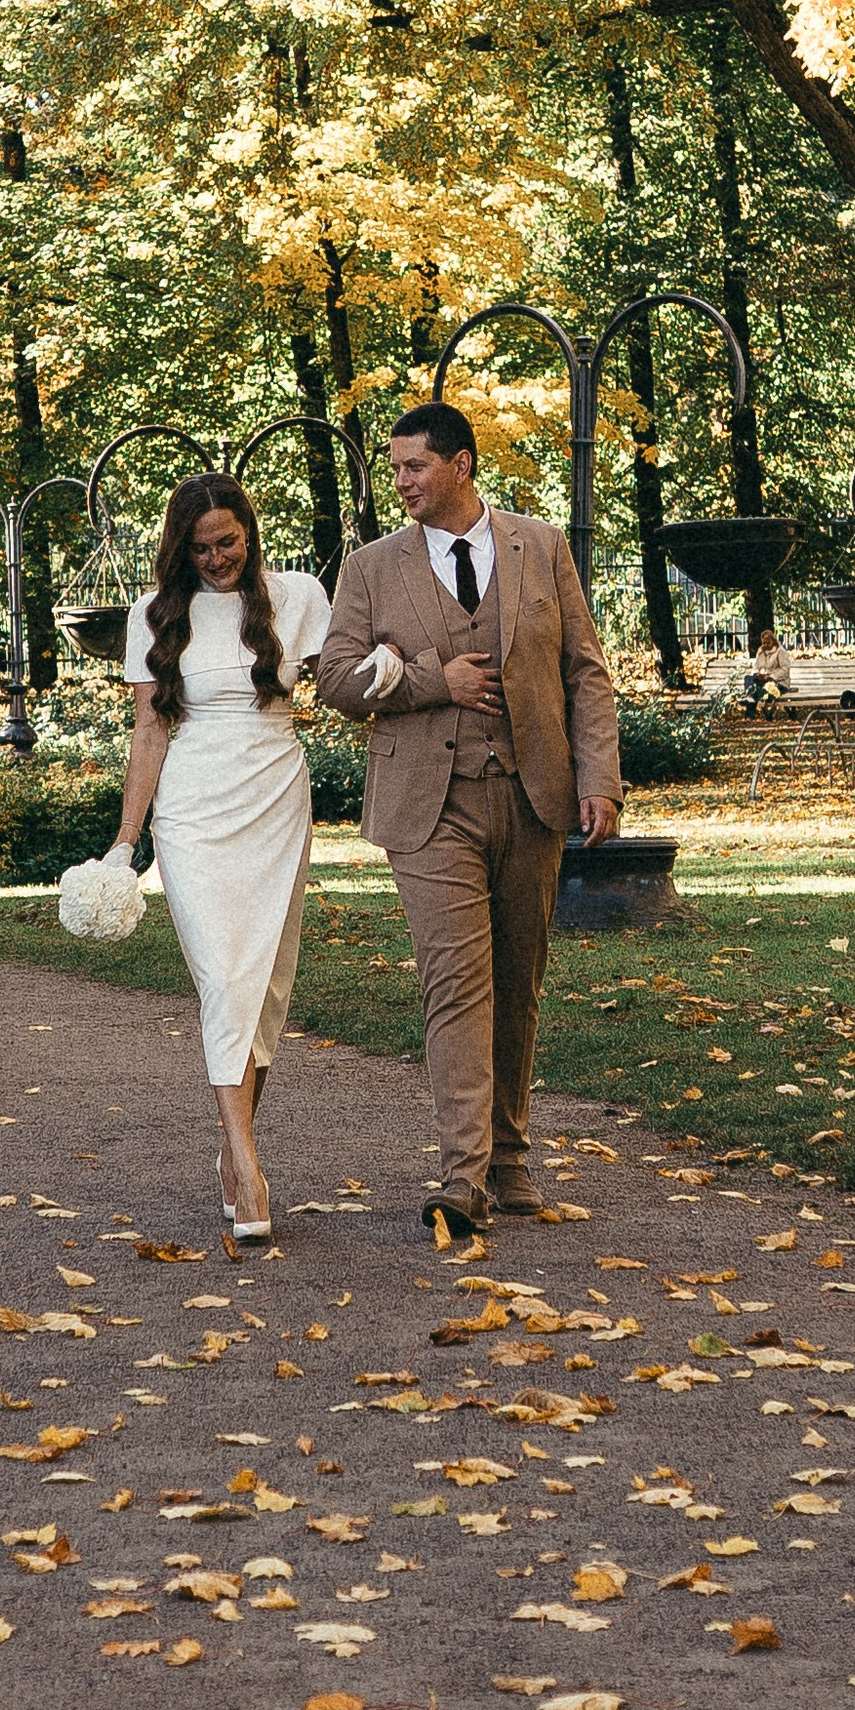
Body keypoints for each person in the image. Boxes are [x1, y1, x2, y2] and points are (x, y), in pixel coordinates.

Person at [316, 401, 620, 1246]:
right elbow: (334, 680)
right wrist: (426, 679)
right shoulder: (371, 567)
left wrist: (602, 782)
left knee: (518, 981)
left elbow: (585, 673)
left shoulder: (541, 544)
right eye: (395, 467)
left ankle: (511, 1161)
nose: (401, 482)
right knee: (455, 982)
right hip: (428, 804)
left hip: (534, 797)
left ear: (462, 465)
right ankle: (463, 1178)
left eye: (415, 466)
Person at [108, 473, 331, 1254]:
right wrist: (125, 841)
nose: (215, 559)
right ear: (180, 547)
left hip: (275, 797)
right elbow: (149, 732)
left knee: (265, 984)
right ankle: (246, 1162)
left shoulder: (298, 595)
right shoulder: (154, 616)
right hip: (193, 809)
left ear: (250, 534)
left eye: (228, 542)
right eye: (200, 547)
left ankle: (233, 1152)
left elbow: (344, 681)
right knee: (223, 978)